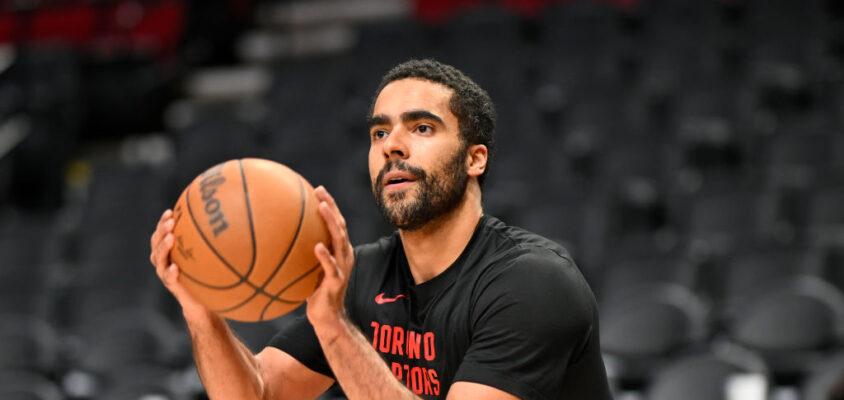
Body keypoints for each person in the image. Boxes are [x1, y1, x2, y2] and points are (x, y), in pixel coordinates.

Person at [149, 59, 612, 399]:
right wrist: (201, 307)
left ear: (475, 159)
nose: (392, 145)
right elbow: (260, 394)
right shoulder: (362, 274)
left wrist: (333, 327)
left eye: (422, 128)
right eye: (379, 133)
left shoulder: (532, 283)